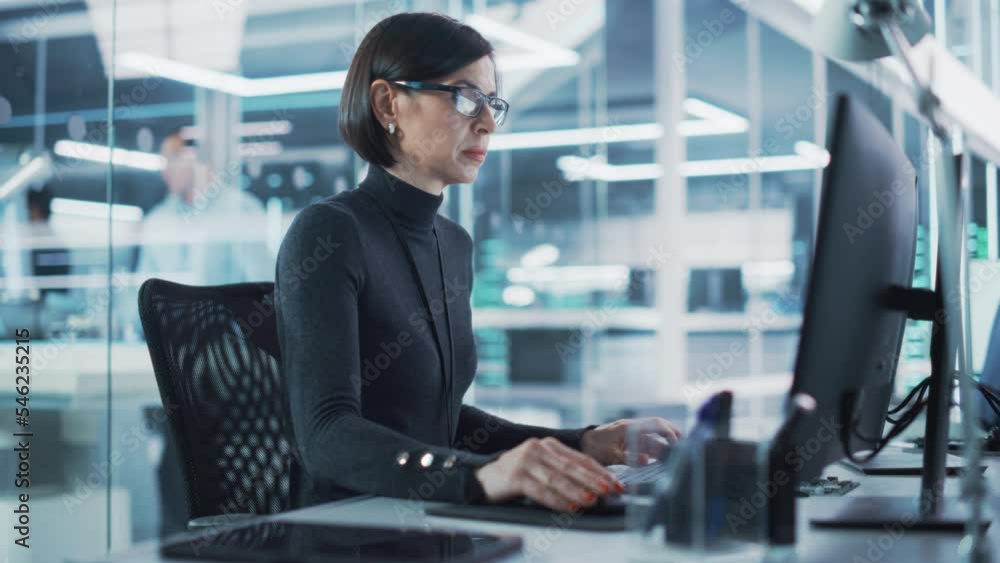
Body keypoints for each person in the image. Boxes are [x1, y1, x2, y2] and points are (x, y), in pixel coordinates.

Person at [275, 12, 682, 513]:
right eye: (465, 97)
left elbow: (441, 422)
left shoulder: (454, 244)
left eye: (491, 103)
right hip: (346, 529)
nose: (486, 121)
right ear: (387, 103)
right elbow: (327, 436)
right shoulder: (330, 233)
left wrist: (587, 443)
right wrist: (478, 477)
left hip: (429, 519)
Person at [135, 130, 271, 289]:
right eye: (164, 162)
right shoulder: (158, 220)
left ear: (195, 159)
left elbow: (262, 283)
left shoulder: (241, 209)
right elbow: (140, 290)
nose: (165, 170)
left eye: (173, 159)